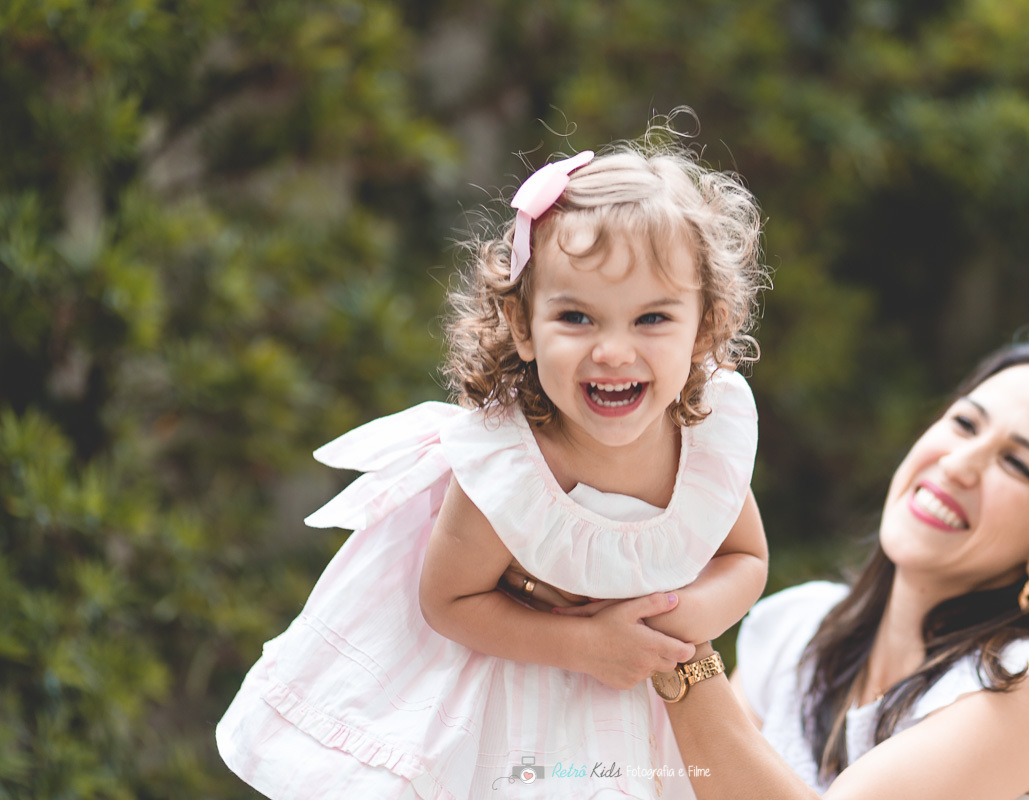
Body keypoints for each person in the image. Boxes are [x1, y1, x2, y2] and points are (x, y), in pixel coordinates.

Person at [216, 117, 771, 800]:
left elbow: (745, 558)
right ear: (523, 327)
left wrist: (676, 617)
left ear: (704, 329)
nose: (614, 351)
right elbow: (449, 599)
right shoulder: (513, 464)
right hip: (519, 694)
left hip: (631, 694)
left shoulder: (701, 439)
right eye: (577, 318)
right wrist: (586, 644)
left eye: (652, 319)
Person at [657, 332, 1029, 800]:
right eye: (964, 423)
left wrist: (669, 633)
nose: (959, 464)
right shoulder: (798, 631)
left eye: (1016, 463)